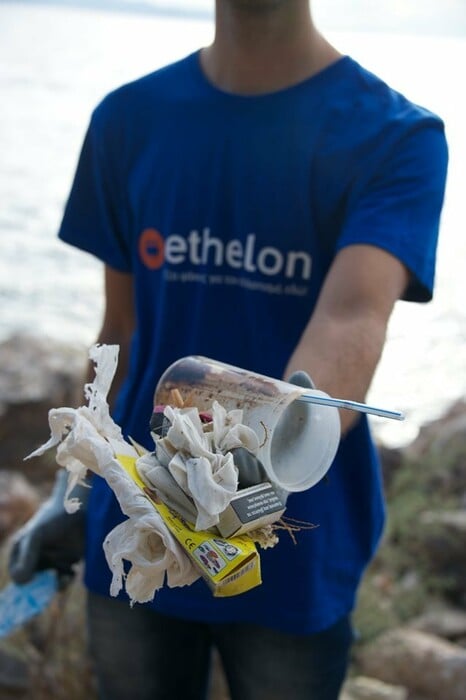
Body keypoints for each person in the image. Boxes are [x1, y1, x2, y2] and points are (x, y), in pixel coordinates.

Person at [9, 1, 448, 698]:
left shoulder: (397, 137)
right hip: (134, 531)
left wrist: (245, 474)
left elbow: (351, 320)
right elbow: (117, 335)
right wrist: (76, 485)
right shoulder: (128, 119)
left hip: (293, 552)